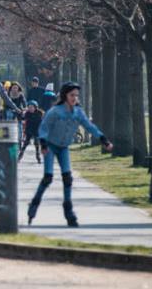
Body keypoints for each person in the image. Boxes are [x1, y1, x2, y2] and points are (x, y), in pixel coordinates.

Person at [28, 82, 113, 227]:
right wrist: (42, 144)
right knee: (48, 177)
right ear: (64, 95)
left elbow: (90, 126)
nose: (74, 98)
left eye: (76, 95)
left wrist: (103, 140)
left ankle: (69, 211)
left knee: (67, 178)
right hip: (50, 145)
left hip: (63, 148)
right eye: (71, 95)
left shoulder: (78, 112)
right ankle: (34, 204)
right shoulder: (55, 111)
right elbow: (44, 127)